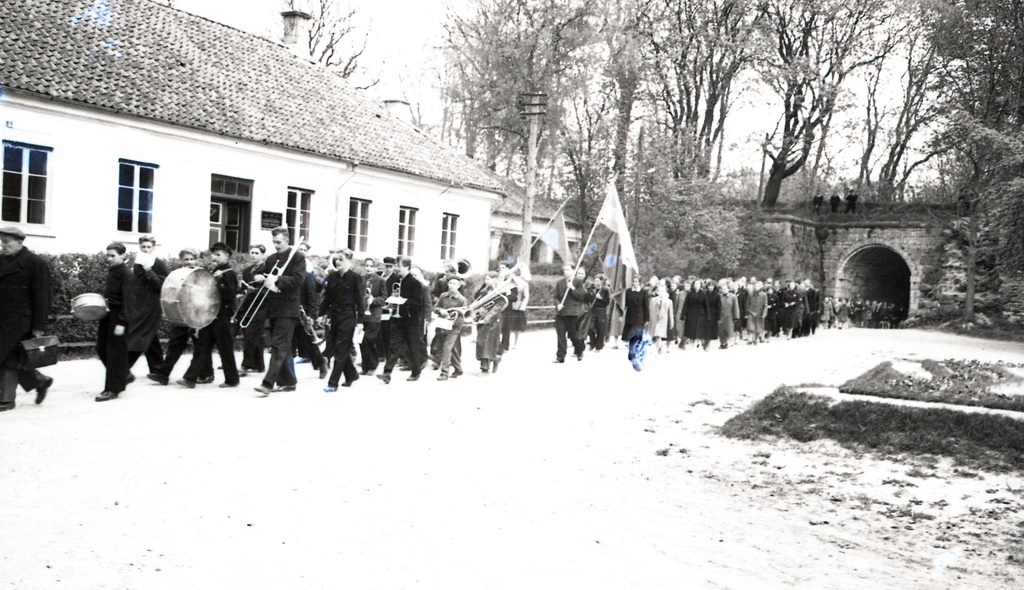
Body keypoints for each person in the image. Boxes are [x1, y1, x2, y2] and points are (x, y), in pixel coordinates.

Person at [0, 227, 54, 411]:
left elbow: (42, 297)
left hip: (21, 321)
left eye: (7, 241)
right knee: (13, 357)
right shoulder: (1, 260)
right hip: (2, 318)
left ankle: (6, 400)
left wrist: (40, 326)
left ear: (20, 242)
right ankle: (40, 381)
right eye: (1, 241)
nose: (3, 245)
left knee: (7, 358)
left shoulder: (35, 263)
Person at [177, 243, 239, 388]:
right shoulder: (215, 271)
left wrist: (219, 281)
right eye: (214, 254)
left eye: (218, 255)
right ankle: (190, 378)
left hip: (222, 315)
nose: (215, 257)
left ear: (227, 256)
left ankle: (232, 379)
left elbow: (230, 295)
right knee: (202, 345)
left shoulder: (229, 273)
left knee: (225, 348)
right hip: (211, 314)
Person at [254, 227, 307, 397]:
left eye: (279, 242)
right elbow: (267, 278)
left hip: (289, 309)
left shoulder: (298, 257)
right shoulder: (271, 259)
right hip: (274, 308)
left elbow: (298, 280)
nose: (276, 245)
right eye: (274, 242)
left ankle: (267, 383)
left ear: (287, 240)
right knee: (283, 346)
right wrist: (261, 279)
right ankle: (289, 382)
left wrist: (277, 279)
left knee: (278, 345)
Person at [147, 248, 212, 385]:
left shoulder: (201, 273)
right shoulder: (177, 274)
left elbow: (206, 294)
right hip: (181, 314)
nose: (189, 262)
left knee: (200, 346)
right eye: (186, 260)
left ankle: (207, 373)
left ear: (196, 259)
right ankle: (163, 374)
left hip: (196, 315)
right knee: (175, 344)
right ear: (181, 261)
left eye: (191, 259)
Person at [319, 248, 365, 391]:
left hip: (348, 317)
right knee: (337, 347)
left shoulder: (355, 277)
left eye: (341, 259)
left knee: (340, 350)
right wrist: (321, 314)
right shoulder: (332, 277)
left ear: (349, 261)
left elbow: (360, 300)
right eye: (336, 259)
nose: (337, 262)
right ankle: (351, 375)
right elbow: (327, 299)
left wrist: (361, 322)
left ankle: (332, 383)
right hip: (335, 317)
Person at [377, 256, 425, 383]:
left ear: (406, 267)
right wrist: (391, 302)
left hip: (410, 319)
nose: (397, 268)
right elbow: (392, 295)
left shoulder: (414, 283)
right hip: (397, 319)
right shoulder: (397, 280)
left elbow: (417, 302)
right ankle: (387, 373)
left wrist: (403, 302)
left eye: (399, 266)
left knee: (412, 347)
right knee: (394, 346)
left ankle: (416, 372)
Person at [125, 235, 168, 377]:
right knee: (149, 334)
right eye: (143, 247)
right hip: (139, 302)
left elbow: (161, 285)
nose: (145, 249)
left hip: (152, 303)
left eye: (148, 247)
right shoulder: (137, 263)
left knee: (140, 333)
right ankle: (158, 368)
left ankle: (123, 368)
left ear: (153, 248)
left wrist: (149, 270)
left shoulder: (158, 263)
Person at [95, 243, 132, 402]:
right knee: (101, 348)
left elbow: (129, 301)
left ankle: (112, 389)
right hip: (108, 313)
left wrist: (122, 323)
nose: (109, 258)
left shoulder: (127, 274)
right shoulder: (113, 271)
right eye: (108, 255)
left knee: (114, 352)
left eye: (113, 256)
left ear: (123, 256)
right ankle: (123, 374)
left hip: (119, 315)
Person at [237, 244, 267, 377]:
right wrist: (240, 292)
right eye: (252, 253)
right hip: (248, 305)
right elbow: (243, 287)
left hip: (261, 305)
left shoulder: (266, 269)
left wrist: (256, 289)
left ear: (262, 255)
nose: (254, 255)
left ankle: (246, 364)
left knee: (250, 334)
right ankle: (259, 365)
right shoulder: (247, 270)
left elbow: (268, 289)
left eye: (257, 253)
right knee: (255, 335)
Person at [553, 264, 590, 363]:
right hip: (561, 313)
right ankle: (560, 356)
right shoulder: (559, 283)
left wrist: (572, 288)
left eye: (568, 270)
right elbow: (556, 296)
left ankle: (579, 350)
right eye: (564, 270)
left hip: (572, 313)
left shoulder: (578, 282)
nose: (566, 272)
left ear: (573, 271)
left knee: (574, 335)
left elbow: (582, 297)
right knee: (560, 335)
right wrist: (558, 304)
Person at [474, 271, 509, 374]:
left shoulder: (500, 292)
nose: (486, 281)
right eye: (485, 279)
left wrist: (486, 318)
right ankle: (496, 357)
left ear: (495, 280)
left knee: (488, 342)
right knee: (481, 342)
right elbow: (477, 302)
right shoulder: (484, 291)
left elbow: (498, 307)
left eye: (488, 279)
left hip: (493, 320)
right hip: (482, 318)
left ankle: (485, 368)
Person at [433, 276, 467, 381]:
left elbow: (463, 316)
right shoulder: (443, 296)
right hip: (443, 325)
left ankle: (444, 373)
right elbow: (435, 308)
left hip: (454, 327)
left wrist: (452, 321)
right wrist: (441, 311)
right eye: (450, 283)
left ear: (459, 285)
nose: (452, 285)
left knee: (447, 348)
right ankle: (458, 369)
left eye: (455, 283)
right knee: (451, 348)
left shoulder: (462, 299)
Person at [360, 257, 386, 375]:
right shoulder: (361, 279)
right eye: (367, 265)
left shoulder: (380, 280)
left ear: (375, 267)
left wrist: (373, 300)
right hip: (362, 314)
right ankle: (365, 366)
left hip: (374, 314)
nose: (368, 268)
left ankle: (373, 365)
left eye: (371, 266)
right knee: (361, 341)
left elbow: (384, 298)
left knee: (369, 339)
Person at [647, 279, 674, 354]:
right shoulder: (653, 300)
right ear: (658, 292)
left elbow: (670, 313)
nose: (661, 293)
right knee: (656, 335)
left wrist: (671, 322)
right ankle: (660, 347)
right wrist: (648, 320)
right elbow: (650, 310)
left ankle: (657, 348)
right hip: (654, 320)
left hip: (663, 321)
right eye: (659, 291)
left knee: (658, 334)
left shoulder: (669, 301)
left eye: (662, 291)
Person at [621, 275, 649, 344]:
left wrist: (647, 319)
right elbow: (625, 304)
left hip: (639, 316)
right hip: (630, 315)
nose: (634, 283)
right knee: (629, 333)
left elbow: (646, 306)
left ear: (639, 282)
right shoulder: (628, 291)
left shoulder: (644, 292)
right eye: (633, 281)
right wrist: (621, 314)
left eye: (636, 281)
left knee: (637, 332)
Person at [587, 274, 610, 351]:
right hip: (593, 309)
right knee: (590, 327)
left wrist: (600, 298)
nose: (595, 282)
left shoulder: (605, 290)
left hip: (601, 310)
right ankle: (592, 342)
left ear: (601, 281)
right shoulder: (591, 289)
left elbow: (607, 302)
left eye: (597, 281)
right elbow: (588, 298)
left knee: (600, 328)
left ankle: (599, 346)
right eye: (594, 281)